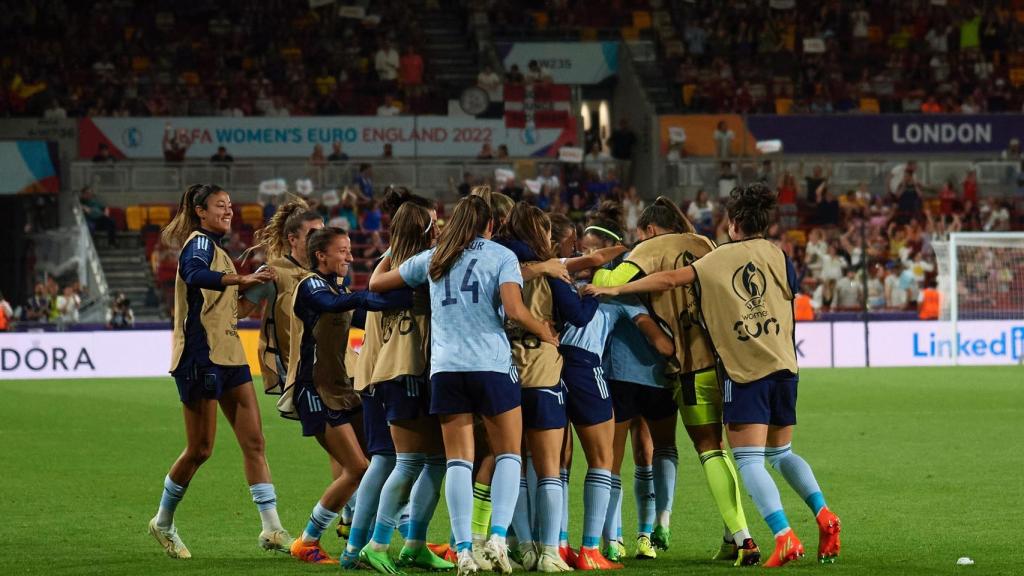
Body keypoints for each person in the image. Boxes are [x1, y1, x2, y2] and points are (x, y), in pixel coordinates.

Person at [584, 183, 842, 567]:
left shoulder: (711, 256)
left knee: (725, 454)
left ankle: (761, 536)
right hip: (779, 365)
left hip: (724, 368)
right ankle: (816, 515)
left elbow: (665, 281)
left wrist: (618, 282)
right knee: (780, 451)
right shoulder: (766, 252)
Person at [368, 193, 559, 576]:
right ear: (491, 225)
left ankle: (464, 551)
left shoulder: (435, 257)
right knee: (508, 454)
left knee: (458, 460)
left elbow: (377, 281)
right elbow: (515, 310)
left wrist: (395, 249)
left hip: (446, 369)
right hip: (489, 364)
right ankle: (499, 538)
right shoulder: (500, 256)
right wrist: (546, 332)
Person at [582, 198, 760, 565]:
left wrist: (602, 268)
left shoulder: (648, 249)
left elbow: (610, 280)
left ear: (648, 229)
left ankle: (741, 536)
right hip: (725, 360)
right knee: (716, 448)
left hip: (687, 363)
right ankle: (726, 534)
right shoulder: (705, 244)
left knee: (708, 448)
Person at [149, 183, 291, 560]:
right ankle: (162, 522)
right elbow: (195, 275)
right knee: (201, 449)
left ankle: (272, 528)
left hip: (229, 356)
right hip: (201, 357)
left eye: (230, 205)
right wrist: (241, 279)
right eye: (219, 206)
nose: (228, 211)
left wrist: (258, 291)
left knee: (255, 442)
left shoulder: (221, 253)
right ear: (200, 210)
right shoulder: (199, 245)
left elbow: (232, 310)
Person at [284, 227, 411, 564]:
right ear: (321, 255)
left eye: (350, 250)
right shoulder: (311, 285)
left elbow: (365, 313)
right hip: (312, 390)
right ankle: (307, 541)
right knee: (356, 468)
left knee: (384, 460)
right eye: (343, 251)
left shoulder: (337, 287)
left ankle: (408, 538)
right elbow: (334, 304)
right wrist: (369, 293)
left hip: (343, 388)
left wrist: (402, 300)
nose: (350, 257)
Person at [496, 203, 600, 572]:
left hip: (503, 369)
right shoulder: (551, 268)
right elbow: (577, 316)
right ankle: (551, 552)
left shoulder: (497, 263)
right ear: (540, 231)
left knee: (516, 465)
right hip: (541, 368)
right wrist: (595, 293)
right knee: (549, 468)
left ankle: (524, 547)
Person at [355, 195, 453, 574]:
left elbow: (374, 284)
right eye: (434, 222)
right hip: (407, 371)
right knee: (405, 461)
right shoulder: (421, 269)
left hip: (388, 372)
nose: (440, 227)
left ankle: (393, 544)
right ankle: (378, 544)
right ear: (425, 229)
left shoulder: (394, 266)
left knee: (427, 460)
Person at [238, 197, 324, 397]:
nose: (319, 239)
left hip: (329, 360)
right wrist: (229, 284)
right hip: (294, 364)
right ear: (293, 239)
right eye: (312, 234)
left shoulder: (326, 268)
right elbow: (240, 310)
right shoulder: (272, 273)